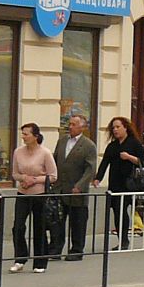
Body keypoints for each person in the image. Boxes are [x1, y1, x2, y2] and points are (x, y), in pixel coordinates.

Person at [92, 117, 144, 250]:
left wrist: (129, 157)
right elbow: (105, 163)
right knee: (117, 211)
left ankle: (124, 240)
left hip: (129, 183)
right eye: (113, 128)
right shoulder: (112, 146)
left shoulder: (134, 143)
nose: (115, 130)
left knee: (122, 209)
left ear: (125, 127)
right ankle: (121, 239)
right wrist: (98, 178)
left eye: (118, 127)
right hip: (115, 183)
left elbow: (143, 162)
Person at [48, 112, 97, 261]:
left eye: (73, 124)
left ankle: (76, 249)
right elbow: (55, 160)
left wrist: (80, 185)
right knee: (57, 220)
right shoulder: (62, 141)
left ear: (82, 127)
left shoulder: (88, 145)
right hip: (60, 188)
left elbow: (91, 168)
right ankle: (55, 249)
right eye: (69, 124)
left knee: (78, 221)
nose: (70, 127)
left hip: (77, 190)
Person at [10, 122, 56, 273]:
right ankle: (20, 258)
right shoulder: (18, 152)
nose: (23, 137)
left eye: (26, 134)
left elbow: (53, 176)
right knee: (18, 226)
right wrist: (23, 178)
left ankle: (40, 261)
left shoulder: (45, 153)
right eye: (22, 133)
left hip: (39, 194)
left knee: (39, 227)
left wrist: (35, 180)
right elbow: (14, 173)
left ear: (35, 136)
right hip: (23, 192)